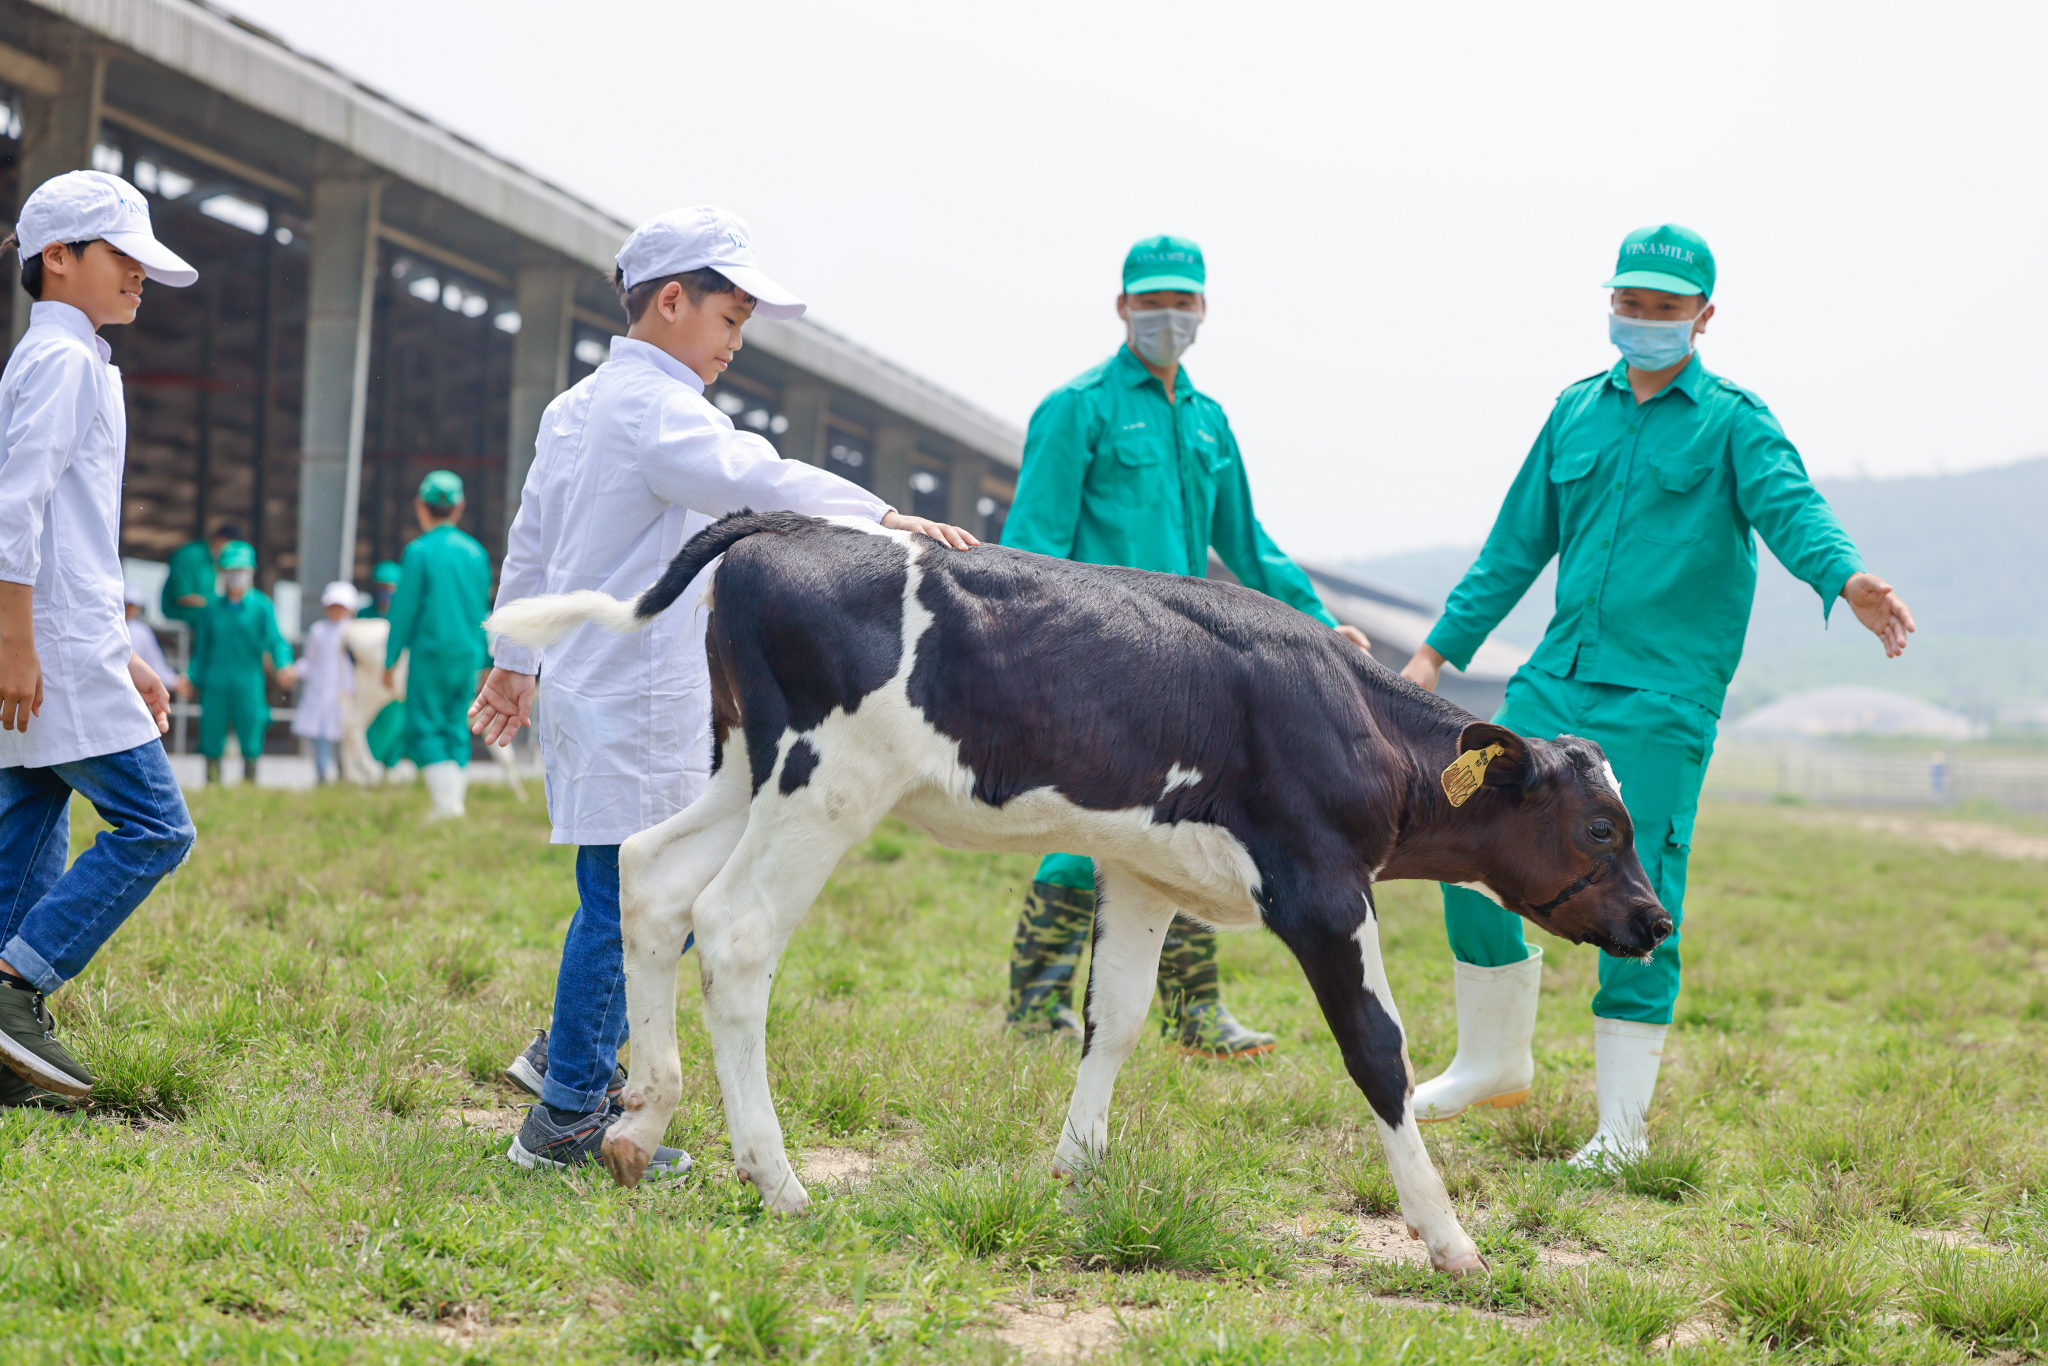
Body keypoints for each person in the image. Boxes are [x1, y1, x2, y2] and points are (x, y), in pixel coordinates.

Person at [468, 205, 978, 1172]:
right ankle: (568, 1113)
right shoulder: (660, 411)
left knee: (623, 891)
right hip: (640, 692)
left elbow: (531, 542)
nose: (736, 344)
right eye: (729, 319)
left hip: (588, 680)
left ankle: (567, 1056)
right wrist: (882, 520)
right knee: (647, 896)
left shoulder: (575, 408)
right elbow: (758, 480)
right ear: (672, 301)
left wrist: (517, 660)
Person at [1400, 224, 1916, 1166]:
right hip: (1555, 676)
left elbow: (1792, 510)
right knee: (1467, 833)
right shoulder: (1573, 413)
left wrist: (1847, 579)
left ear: (1704, 317)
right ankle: (1491, 1061)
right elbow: (1515, 545)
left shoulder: (1733, 421)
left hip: (1662, 697)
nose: (1641, 322)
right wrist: (1437, 654)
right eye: (1629, 305)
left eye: (1664, 310)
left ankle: (1622, 1132)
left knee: (1640, 890)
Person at [998, 234, 1372, 1060]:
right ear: (1122, 306)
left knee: (1193, 829)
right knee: (1089, 825)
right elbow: (1029, 547)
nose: (1168, 316)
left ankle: (1196, 1014)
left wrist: (1315, 621)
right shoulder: (1077, 408)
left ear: (1203, 309)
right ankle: (1034, 1002)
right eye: (1152, 300)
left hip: (1193, 668)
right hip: (1096, 662)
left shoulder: (1208, 424)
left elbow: (1248, 541)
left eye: (1182, 301)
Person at [0, 169, 200, 1106]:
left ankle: (8, 1058)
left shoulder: (66, 358)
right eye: (124, 257)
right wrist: (19, 643)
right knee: (156, 827)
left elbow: (71, 533)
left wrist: (120, 651)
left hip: (62, 640)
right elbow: (16, 508)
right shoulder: (64, 362)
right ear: (59, 258)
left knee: (28, 824)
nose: (141, 276)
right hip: (45, 644)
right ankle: (14, 990)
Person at [382, 471, 491, 819]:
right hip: (468, 655)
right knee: (456, 725)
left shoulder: (418, 552)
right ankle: (454, 803)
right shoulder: (476, 552)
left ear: (420, 506)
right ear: (458, 507)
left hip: (430, 655)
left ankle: (446, 806)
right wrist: (487, 657)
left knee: (423, 724)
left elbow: (404, 609)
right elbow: (483, 610)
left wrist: (390, 658)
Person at [191, 540, 295, 786]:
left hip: (249, 682)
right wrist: (190, 677)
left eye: (241, 570)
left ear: (251, 572)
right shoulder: (211, 610)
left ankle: (249, 786)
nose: (235, 575)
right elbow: (200, 653)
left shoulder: (262, 607)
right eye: (230, 570)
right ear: (222, 573)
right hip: (215, 683)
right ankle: (212, 785)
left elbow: (276, 641)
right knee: (212, 735)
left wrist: (284, 664)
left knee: (251, 733)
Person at [293, 581, 358, 784]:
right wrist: (293, 671)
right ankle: (321, 775)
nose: (336, 611)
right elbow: (310, 662)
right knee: (321, 738)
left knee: (345, 737)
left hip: (346, 692)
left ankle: (344, 774)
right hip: (320, 691)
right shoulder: (318, 631)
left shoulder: (355, 632)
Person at [160, 521, 239, 631]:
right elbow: (183, 597)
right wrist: (218, 605)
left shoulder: (218, 560)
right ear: (220, 539)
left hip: (209, 614)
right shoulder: (189, 555)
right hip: (183, 614)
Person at [124, 581, 180, 697]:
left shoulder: (143, 632)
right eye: (127, 604)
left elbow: (155, 664)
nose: (129, 608)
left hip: (133, 692)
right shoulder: (110, 628)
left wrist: (175, 681)